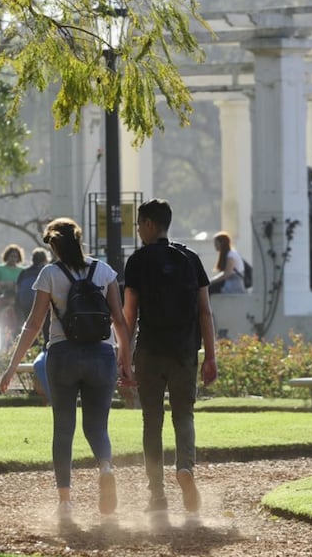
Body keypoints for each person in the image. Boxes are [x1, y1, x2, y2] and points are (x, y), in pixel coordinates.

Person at [0, 217, 132, 521]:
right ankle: (106, 468)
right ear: (79, 238)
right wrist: (126, 360)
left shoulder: (49, 274)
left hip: (63, 355)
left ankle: (65, 503)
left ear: (54, 244)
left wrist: (12, 366)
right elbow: (120, 321)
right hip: (102, 354)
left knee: (64, 428)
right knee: (97, 426)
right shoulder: (104, 271)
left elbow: (33, 324)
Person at [122, 198, 217, 514]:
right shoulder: (190, 259)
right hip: (184, 351)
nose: (138, 230)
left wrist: (125, 356)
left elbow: (130, 314)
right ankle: (185, 468)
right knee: (183, 415)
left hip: (150, 351)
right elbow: (205, 312)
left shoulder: (138, 261)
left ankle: (157, 497)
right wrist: (210, 357)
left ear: (149, 224)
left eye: (139, 224)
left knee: (152, 421)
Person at [16, 247, 53, 404]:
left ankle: (53, 399)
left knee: (39, 364)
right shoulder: (50, 272)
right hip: (49, 334)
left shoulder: (24, 273)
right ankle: (54, 399)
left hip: (26, 309)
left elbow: (17, 292)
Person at [0, 244, 24, 353]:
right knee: (2, 326)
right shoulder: (0, 269)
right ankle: (2, 350)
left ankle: (14, 351)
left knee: (17, 326)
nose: (13, 258)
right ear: (6, 256)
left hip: (16, 302)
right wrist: (5, 284)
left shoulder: (22, 271)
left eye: (15, 256)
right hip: (3, 301)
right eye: (11, 256)